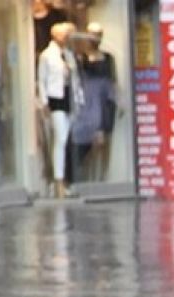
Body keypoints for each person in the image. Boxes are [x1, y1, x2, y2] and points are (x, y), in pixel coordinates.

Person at [37, 21, 79, 199]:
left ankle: (64, 179)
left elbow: (75, 79)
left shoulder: (68, 55)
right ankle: (58, 180)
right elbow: (42, 79)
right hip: (55, 100)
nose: (66, 38)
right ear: (55, 36)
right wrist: (44, 101)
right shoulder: (47, 55)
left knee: (65, 138)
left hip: (68, 98)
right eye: (64, 35)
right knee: (60, 138)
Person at [71, 23, 117, 183]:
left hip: (104, 103)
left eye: (98, 35)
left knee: (105, 142)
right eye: (92, 35)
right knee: (89, 142)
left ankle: (102, 178)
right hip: (88, 103)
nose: (95, 39)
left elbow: (113, 81)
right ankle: (88, 178)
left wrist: (117, 99)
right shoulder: (81, 58)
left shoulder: (108, 58)